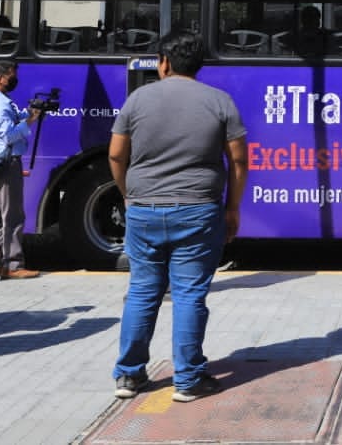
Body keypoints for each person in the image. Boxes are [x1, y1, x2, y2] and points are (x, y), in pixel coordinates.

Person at [108, 29, 247, 403]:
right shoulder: (220, 101)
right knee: (188, 294)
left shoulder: (138, 100)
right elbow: (238, 160)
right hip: (199, 210)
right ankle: (188, 380)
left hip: (144, 210)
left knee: (141, 291)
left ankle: (129, 376)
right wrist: (232, 207)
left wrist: (128, 194)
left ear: (163, 62)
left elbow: (116, 155)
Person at [0, 59, 39, 280]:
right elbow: (8, 135)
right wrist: (30, 122)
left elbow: (10, 121)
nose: (14, 79)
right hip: (6, 162)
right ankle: (13, 264)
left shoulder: (0, 100)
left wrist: (28, 114)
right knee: (13, 215)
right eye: (11, 75)